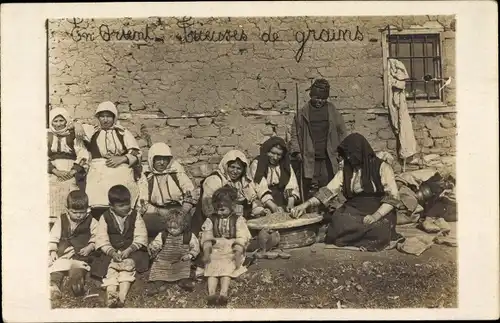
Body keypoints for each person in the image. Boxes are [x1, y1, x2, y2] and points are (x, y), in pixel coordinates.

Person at [290, 133, 402, 251]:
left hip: (378, 208)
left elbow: (393, 197)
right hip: (354, 208)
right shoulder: (346, 170)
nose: (348, 158)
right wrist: (305, 205)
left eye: (351, 154)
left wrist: (375, 216)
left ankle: (358, 238)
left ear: (361, 151)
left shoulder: (382, 167)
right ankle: (354, 237)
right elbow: (329, 190)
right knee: (339, 220)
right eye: (347, 155)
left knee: (380, 228)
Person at [73, 101, 142, 220]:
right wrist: (76, 124)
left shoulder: (123, 132)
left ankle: (121, 213)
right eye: (102, 116)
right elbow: (68, 124)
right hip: (98, 169)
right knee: (96, 187)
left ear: (114, 117)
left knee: (122, 183)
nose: (105, 120)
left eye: (109, 116)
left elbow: (136, 152)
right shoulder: (92, 131)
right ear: (98, 117)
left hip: (119, 167)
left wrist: (123, 158)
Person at [191, 150, 274, 237]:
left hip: (234, 222)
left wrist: (260, 211)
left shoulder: (243, 183)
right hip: (214, 221)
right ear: (226, 166)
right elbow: (207, 207)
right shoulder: (214, 180)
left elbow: (251, 203)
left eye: (239, 168)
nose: (235, 171)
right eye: (232, 167)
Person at [91, 185, 149, 308]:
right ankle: (111, 295)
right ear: (111, 206)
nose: (126, 208)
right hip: (111, 250)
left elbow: (141, 235)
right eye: (121, 206)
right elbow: (101, 238)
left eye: (127, 204)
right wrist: (111, 252)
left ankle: (122, 296)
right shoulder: (105, 217)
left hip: (132, 250)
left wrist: (129, 249)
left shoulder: (135, 215)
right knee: (110, 270)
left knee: (126, 269)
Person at [289, 78, 347, 200]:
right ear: (311, 96)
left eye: (323, 99)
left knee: (328, 185)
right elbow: (294, 134)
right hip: (309, 156)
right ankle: (312, 210)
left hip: (328, 156)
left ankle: (328, 211)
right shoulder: (302, 113)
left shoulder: (332, 111)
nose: (320, 101)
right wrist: (297, 152)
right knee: (311, 185)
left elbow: (342, 131)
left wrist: (343, 151)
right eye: (317, 98)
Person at [200, 186, 252, 306]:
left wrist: (238, 251)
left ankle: (224, 293)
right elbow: (207, 235)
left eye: (223, 210)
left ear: (232, 206)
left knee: (226, 270)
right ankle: (211, 293)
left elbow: (242, 236)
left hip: (231, 249)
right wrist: (207, 252)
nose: (219, 213)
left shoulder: (238, 220)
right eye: (217, 209)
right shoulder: (211, 219)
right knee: (211, 268)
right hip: (216, 249)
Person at [137, 142, 198, 241]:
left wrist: (183, 211)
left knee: (182, 224)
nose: (162, 163)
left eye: (165, 159)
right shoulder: (146, 175)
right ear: (152, 159)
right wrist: (160, 211)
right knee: (148, 225)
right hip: (156, 211)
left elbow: (189, 190)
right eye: (158, 159)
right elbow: (143, 201)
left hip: (177, 209)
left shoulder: (176, 170)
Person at [49, 190, 98, 300]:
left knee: (78, 266)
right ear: (67, 210)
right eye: (74, 212)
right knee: (57, 267)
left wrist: (90, 247)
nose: (79, 215)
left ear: (88, 209)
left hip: (80, 252)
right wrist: (52, 250)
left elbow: (98, 235)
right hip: (64, 252)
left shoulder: (92, 221)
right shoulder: (61, 220)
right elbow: (53, 236)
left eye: (82, 212)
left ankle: (76, 284)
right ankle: (54, 286)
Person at [48, 107, 90, 226]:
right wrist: (55, 171)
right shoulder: (48, 136)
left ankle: (69, 224)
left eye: (61, 121)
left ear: (66, 121)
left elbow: (83, 154)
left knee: (70, 192)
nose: (58, 124)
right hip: (54, 172)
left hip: (71, 171)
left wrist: (72, 172)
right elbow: (42, 156)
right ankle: (53, 224)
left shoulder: (73, 136)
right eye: (55, 121)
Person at [146, 208, 200, 295]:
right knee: (158, 270)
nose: (171, 230)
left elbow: (195, 247)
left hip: (181, 259)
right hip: (165, 259)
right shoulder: (163, 235)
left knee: (184, 269)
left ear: (183, 226)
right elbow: (157, 243)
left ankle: (184, 282)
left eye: (175, 228)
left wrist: (190, 255)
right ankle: (157, 285)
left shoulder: (189, 236)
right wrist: (154, 246)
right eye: (169, 227)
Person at [249, 136, 300, 212]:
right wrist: (273, 206)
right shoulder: (258, 164)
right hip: (264, 200)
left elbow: (291, 183)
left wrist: (290, 203)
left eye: (279, 154)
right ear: (267, 151)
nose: (275, 157)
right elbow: (260, 187)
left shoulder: (285, 165)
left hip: (282, 198)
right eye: (272, 153)